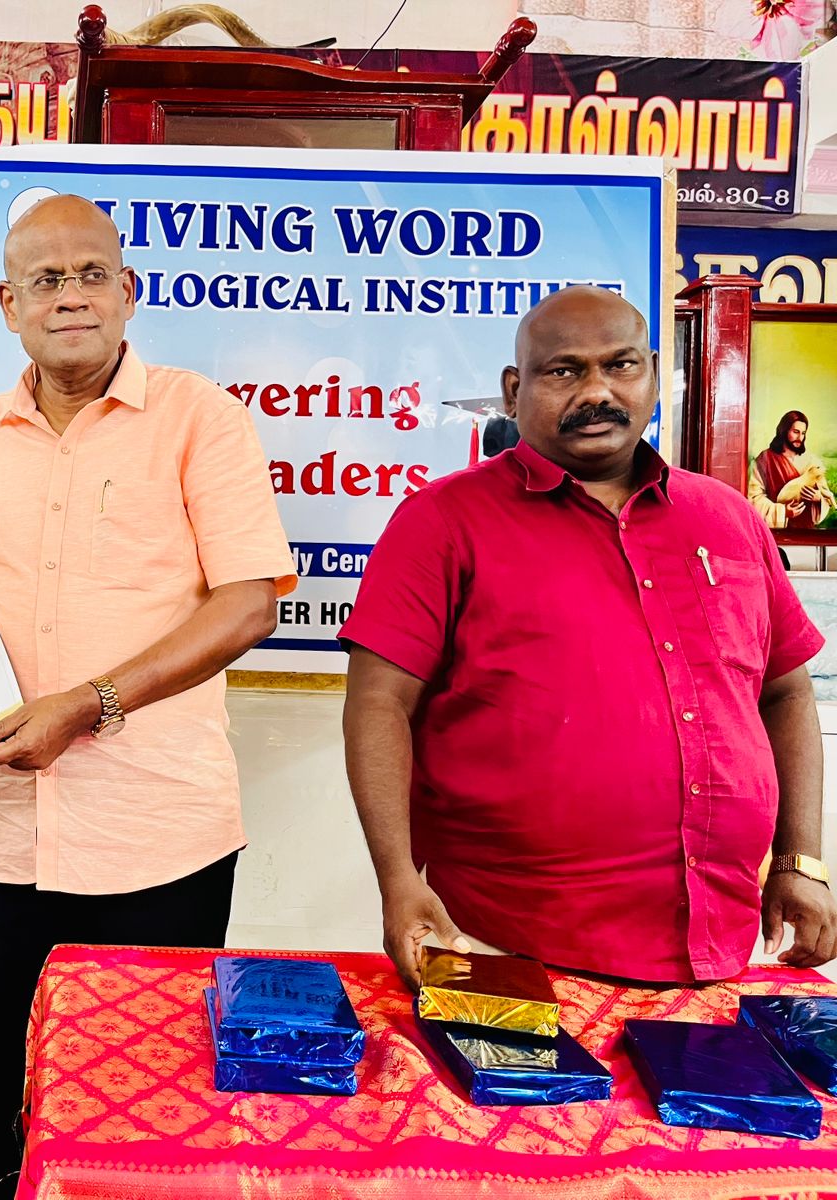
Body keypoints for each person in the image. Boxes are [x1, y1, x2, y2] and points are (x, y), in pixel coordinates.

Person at [0, 194, 294, 1199]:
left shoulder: (199, 418)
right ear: (9, 305)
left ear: (128, 291)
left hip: (154, 840)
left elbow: (248, 603)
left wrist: (89, 701)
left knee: (146, 1119)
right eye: (45, 279)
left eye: (90, 276)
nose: (70, 297)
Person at [341, 286, 837, 991]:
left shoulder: (728, 519)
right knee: (493, 1074)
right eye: (564, 370)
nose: (597, 391)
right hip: (498, 942)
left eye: (621, 365)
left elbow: (784, 692)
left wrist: (799, 860)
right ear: (514, 390)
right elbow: (378, 704)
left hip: (720, 940)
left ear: (654, 376)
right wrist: (398, 882)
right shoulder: (441, 522)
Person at [750, 409, 833, 529]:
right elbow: (754, 498)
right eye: (796, 432)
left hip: (807, 532)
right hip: (778, 532)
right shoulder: (766, 459)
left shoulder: (811, 461)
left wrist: (818, 498)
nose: (800, 437)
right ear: (784, 431)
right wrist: (783, 512)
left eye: (803, 433)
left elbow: (825, 496)